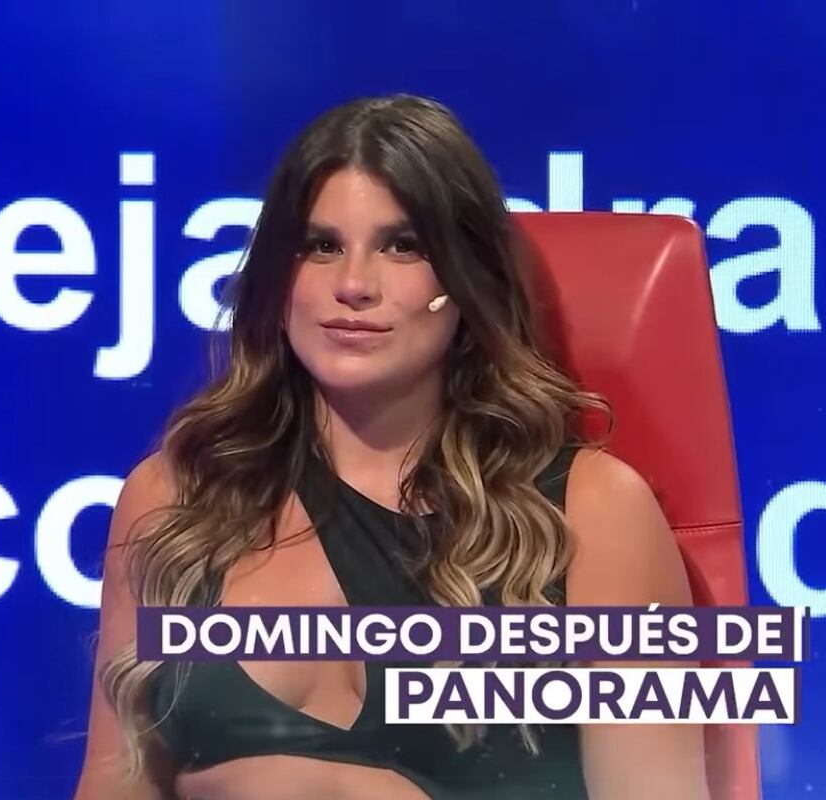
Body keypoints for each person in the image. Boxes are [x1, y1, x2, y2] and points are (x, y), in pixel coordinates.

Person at [73, 94, 709, 800]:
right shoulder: (175, 502)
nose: (353, 285)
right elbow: (116, 783)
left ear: (466, 281)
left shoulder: (593, 515)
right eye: (321, 246)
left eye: (403, 245)